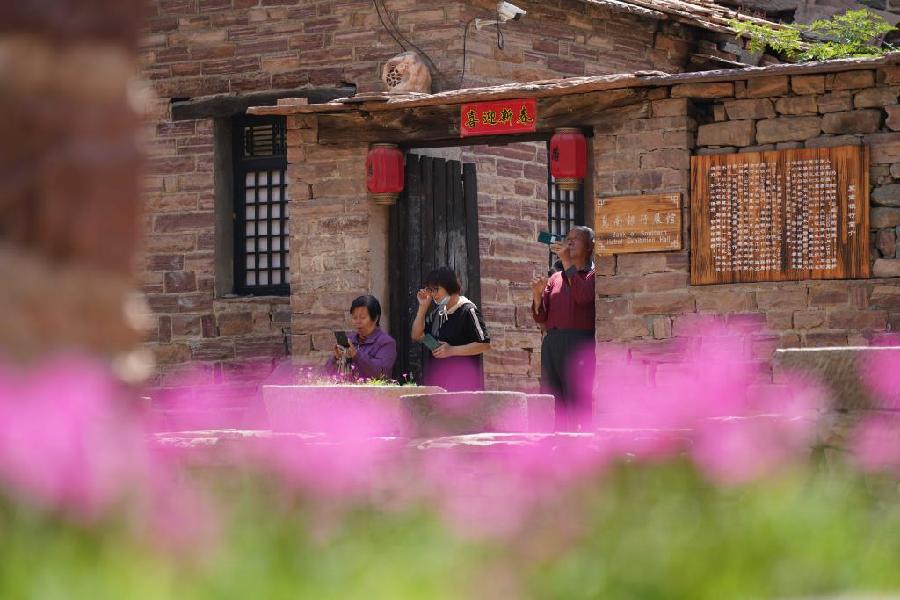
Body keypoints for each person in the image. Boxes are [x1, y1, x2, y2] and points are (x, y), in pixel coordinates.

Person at [531, 226, 596, 431]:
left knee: (577, 398)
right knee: (552, 398)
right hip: (552, 343)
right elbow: (541, 318)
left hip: (578, 343)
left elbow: (583, 297)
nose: (570, 242)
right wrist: (537, 297)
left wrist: (567, 261)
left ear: (590, 246)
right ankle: (554, 440)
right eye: (568, 238)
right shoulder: (555, 278)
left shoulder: (592, 275)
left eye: (576, 239)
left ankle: (580, 441)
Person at [411, 266, 490, 391]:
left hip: (463, 389)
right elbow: (416, 335)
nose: (433, 294)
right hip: (438, 387)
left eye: (436, 289)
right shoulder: (437, 313)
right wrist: (422, 308)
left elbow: (484, 344)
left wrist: (452, 350)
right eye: (431, 290)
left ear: (449, 286)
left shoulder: (468, 310)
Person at [326, 294, 397, 380]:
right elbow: (327, 372)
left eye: (363, 318)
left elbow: (380, 372)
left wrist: (356, 355)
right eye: (354, 318)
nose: (358, 321)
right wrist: (335, 358)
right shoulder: (350, 340)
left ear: (375, 318)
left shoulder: (386, 343)